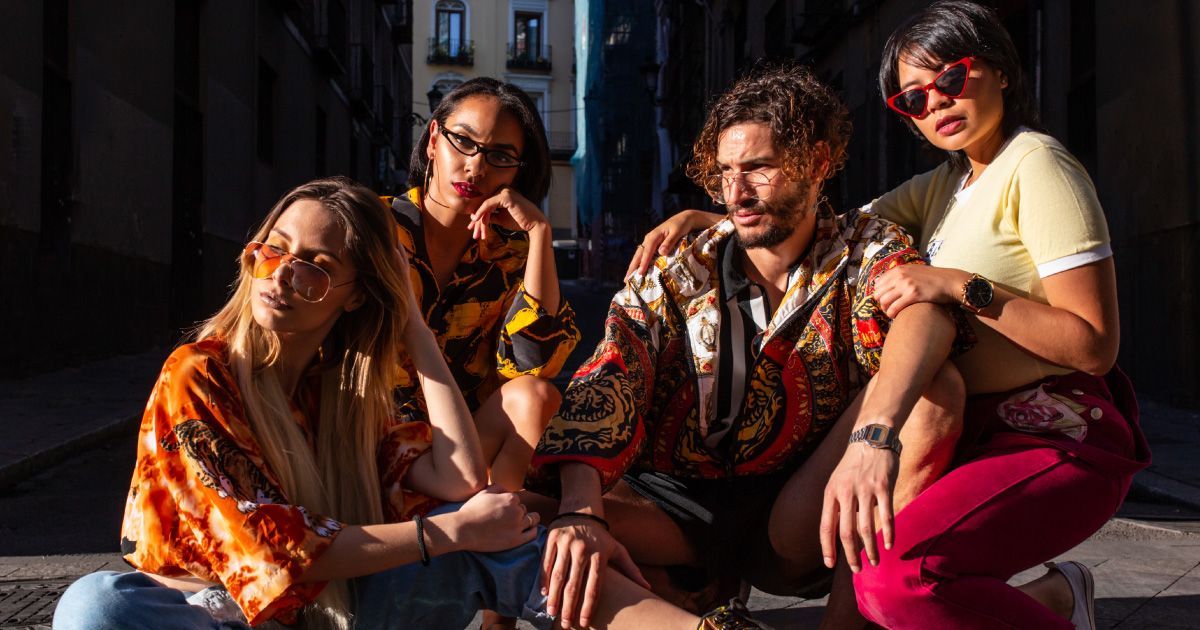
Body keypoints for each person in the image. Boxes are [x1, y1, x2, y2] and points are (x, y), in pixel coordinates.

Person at [632, 2, 1151, 628]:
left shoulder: (1038, 167)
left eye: (951, 79)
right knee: (888, 582)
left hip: (1059, 430)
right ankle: (1055, 599)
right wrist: (722, 218)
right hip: (968, 431)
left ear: (1001, 70)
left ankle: (1055, 605)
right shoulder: (947, 183)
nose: (936, 104)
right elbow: (822, 230)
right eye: (913, 99)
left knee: (904, 582)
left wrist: (961, 285)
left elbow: (1095, 345)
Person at [52, 177, 751, 630]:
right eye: (273, 250)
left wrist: (413, 327)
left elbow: (455, 480)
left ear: (356, 294)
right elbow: (268, 545)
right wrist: (447, 533)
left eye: (317, 266)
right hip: (210, 615)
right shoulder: (199, 373)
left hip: (326, 613)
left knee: (505, 543)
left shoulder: (345, 389)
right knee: (95, 606)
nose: (281, 276)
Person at [529, 62, 977, 630]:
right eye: (724, 173)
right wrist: (581, 512)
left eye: (759, 168)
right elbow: (612, 371)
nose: (736, 191)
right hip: (674, 510)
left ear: (816, 163)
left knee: (935, 393)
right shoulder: (678, 266)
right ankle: (688, 608)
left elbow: (926, 316)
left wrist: (874, 435)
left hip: (797, 512)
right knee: (509, 520)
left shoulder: (862, 248)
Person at [385, 77, 580, 495]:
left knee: (535, 395)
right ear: (434, 140)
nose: (477, 165)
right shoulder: (374, 231)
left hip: (466, 456)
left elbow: (531, 366)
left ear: (518, 171)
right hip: (371, 442)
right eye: (464, 141)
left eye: (500, 155)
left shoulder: (510, 257)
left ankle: (496, 527)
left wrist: (540, 233)